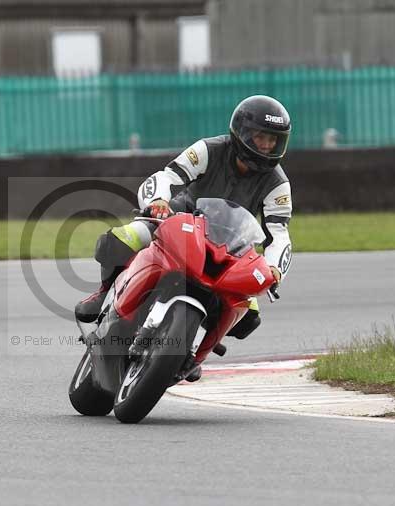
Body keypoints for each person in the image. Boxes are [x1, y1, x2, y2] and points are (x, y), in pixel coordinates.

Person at [75, 95, 294, 366]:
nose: (267, 145)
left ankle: (195, 350)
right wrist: (158, 202)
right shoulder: (209, 149)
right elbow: (169, 175)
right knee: (122, 239)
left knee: (249, 315)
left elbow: (278, 231)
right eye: (262, 137)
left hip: (232, 249)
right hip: (179, 221)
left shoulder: (277, 183)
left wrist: (274, 269)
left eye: (274, 140)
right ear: (242, 132)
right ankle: (104, 292)